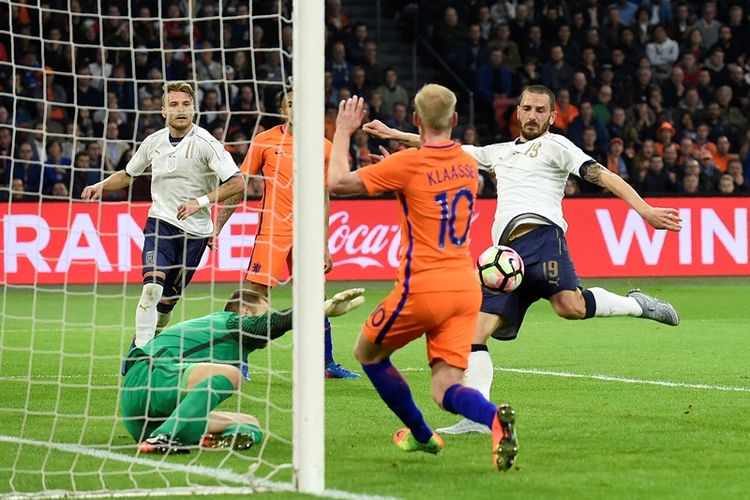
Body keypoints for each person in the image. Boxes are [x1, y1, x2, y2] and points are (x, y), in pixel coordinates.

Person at [363, 84, 682, 435]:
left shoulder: (556, 145)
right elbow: (446, 147)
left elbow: (602, 175)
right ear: (517, 111)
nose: (532, 116)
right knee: (474, 333)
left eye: (540, 110)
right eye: (527, 108)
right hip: (503, 260)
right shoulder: (497, 153)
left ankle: (637, 305)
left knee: (568, 306)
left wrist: (645, 210)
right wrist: (396, 136)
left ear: (552, 116)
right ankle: (476, 417)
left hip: (543, 238)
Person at [328, 86, 519, 471]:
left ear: (415, 120)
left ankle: (419, 433)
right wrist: (394, 171)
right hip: (465, 289)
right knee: (445, 386)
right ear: (454, 120)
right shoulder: (467, 165)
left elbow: (336, 183)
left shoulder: (408, 166)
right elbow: (426, 182)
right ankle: (494, 420)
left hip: (424, 287)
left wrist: (344, 131)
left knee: (368, 353)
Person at [82, 81, 245, 349]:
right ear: (163, 111)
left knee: (166, 305)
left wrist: (200, 202)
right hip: (161, 224)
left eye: (185, 104)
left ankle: (149, 335)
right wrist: (101, 185)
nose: (180, 109)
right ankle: (140, 353)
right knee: (151, 288)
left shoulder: (207, 143)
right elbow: (128, 174)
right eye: (173, 105)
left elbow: (237, 183)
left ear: (193, 109)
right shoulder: (153, 142)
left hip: (195, 233)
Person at [123, 288, 366, 453]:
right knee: (232, 375)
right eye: (263, 312)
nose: (266, 319)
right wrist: (318, 310)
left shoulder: (229, 339)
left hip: (143, 421)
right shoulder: (230, 322)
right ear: (246, 313)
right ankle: (164, 437)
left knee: (249, 424)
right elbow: (272, 322)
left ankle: (190, 436)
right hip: (148, 377)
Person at [232, 91, 359, 379]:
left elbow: (325, 198)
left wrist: (325, 244)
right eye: (290, 103)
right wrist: (218, 222)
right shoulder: (264, 141)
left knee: (317, 295)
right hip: (272, 230)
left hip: (308, 233)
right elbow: (240, 182)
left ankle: (326, 363)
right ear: (281, 110)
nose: (296, 108)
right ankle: (240, 362)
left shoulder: (324, 147)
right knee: (255, 295)